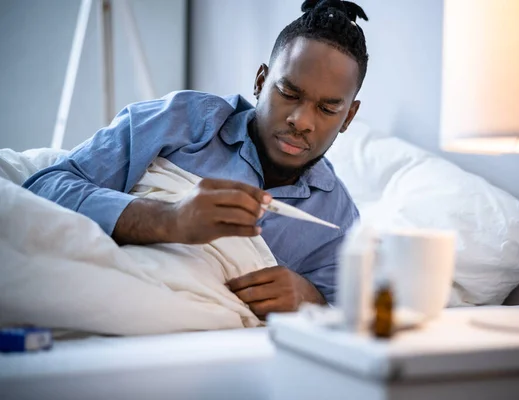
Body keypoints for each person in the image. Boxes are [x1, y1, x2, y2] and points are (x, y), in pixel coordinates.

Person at [23, 0, 369, 318]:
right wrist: (169, 220)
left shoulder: (338, 222)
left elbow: (351, 324)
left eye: (328, 109)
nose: (301, 121)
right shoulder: (181, 121)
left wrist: (311, 299)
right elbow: (43, 189)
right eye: (288, 93)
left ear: (349, 117)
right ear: (261, 81)